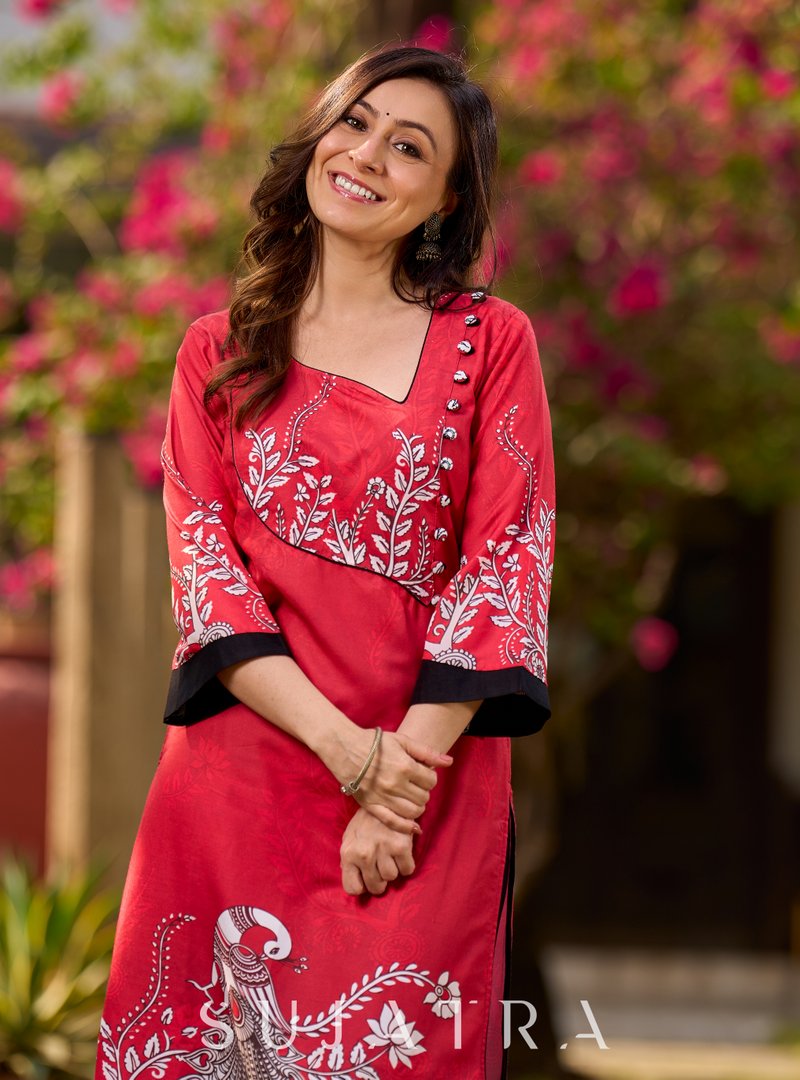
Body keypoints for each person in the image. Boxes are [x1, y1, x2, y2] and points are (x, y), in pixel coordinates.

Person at [95, 45, 555, 1080]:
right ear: (317, 138)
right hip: (241, 782)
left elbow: (506, 565)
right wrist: (352, 758)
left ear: (445, 200)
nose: (367, 155)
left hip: (425, 790)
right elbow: (208, 582)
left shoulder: (491, 343)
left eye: (409, 147)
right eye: (355, 123)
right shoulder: (218, 352)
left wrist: (395, 790)